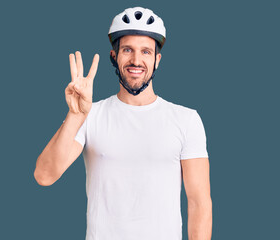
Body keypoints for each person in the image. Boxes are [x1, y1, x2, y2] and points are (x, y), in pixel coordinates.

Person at [34, 6, 212, 240]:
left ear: (157, 60)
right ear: (114, 56)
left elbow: (199, 203)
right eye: (127, 50)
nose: (136, 60)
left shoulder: (186, 119)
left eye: (146, 52)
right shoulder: (91, 115)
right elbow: (45, 175)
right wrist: (76, 115)